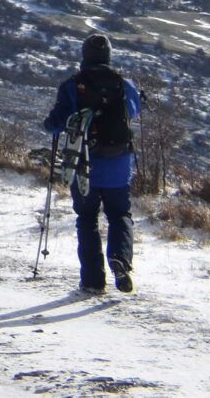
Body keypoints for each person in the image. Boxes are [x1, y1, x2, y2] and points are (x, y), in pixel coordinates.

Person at [45, 33, 145, 294]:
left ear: (84, 55)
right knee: (120, 214)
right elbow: (133, 110)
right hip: (119, 164)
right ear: (108, 56)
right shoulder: (124, 85)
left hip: (83, 165)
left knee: (87, 219)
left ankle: (92, 280)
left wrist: (54, 123)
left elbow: (56, 123)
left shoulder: (72, 85)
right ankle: (120, 261)